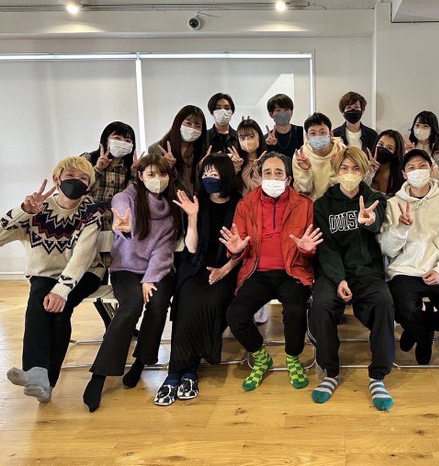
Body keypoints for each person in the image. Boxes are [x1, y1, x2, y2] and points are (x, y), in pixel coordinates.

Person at [82, 154, 183, 412]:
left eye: (162, 174)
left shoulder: (171, 209)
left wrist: (150, 278)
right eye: (151, 174)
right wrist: (124, 228)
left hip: (157, 271)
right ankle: (100, 375)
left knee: (158, 304)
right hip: (125, 268)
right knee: (131, 305)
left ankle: (142, 361)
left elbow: (163, 250)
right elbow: (121, 218)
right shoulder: (126, 197)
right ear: (140, 176)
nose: (157, 179)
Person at [4, 157, 104, 403]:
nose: (77, 181)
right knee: (38, 300)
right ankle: (38, 374)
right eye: (70, 175)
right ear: (57, 179)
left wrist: (62, 290)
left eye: (83, 178)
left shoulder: (91, 211)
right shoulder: (37, 208)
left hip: (86, 273)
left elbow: (83, 256)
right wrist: (24, 211)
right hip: (45, 274)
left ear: (89, 184)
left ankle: (46, 380)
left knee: (59, 311)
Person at [222, 152, 319, 392]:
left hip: (292, 271)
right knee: (235, 314)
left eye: (278, 173)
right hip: (257, 272)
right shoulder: (246, 204)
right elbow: (238, 245)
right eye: (267, 173)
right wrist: (235, 250)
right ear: (259, 177)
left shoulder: (304, 205)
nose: (273, 178)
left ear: (288, 179)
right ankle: (260, 356)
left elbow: (310, 247)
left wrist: (307, 250)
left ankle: (293, 357)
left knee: (295, 310)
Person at [308, 147, 395, 411]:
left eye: (356, 168)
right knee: (321, 305)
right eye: (344, 168)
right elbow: (326, 247)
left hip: (367, 271)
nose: (349, 173)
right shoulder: (322, 205)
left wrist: (369, 221)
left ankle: (377, 376)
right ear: (336, 170)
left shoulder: (376, 198)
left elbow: (378, 224)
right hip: (333, 272)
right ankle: (330, 372)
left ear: (364, 171)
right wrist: (339, 279)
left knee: (383, 303)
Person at [154, 153, 242, 406]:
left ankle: (191, 370)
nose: (208, 178)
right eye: (205, 174)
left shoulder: (241, 204)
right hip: (194, 267)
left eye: (214, 174)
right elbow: (191, 248)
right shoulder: (197, 203)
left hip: (228, 268)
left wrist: (225, 269)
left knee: (212, 301)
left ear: (226, 175)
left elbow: (246, 247)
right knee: (186, 301)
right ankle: (175, 373)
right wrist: (192, 217)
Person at [379, 149, 439, 365]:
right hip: (405, 270)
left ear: (431, 169)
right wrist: (400, 228)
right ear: (404, 174)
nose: (417, 171)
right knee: (402, 309)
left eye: (422, 166)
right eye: (411, 167)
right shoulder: (392, 204)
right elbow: (387, 249)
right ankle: (424, 336)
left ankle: (420, 329)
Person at [81, 121, 138, 231]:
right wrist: (98, 169)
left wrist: (134, 174)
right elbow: (79, 191)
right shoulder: (88, 160)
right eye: (117, 138)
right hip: (88, 226)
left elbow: (131, 198)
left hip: (117, 227)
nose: (122, 143)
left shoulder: (131, 167)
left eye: (127, 141)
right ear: (106, 140)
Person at [149, 105, 208, 195]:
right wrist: (165, 167)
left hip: (196, 201)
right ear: (179, 123)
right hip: (170, 201)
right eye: (188, 123)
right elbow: (153, 184)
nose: (192, 129)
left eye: (198, 126)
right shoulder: (157, 149)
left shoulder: (203, 151)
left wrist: (203, 168)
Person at [293, 112, 346, 201]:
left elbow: (345, 188)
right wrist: (305, 171)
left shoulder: (342, 151)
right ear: (307, 136)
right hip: (311, 205)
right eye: (313, 133)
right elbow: (302, 191)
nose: (318, 136)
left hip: (337, 203)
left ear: (331, 134)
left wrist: (335, 166)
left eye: (322, 132)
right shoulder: (300, 156)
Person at [228, 118, 266, 197]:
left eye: (251, 137)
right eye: (242, 138)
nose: (247, 141)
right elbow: (229, 188)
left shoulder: (268, 160)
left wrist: (257, 170)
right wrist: (235, 169)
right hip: (240, 202)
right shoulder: (235, 160)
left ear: (259, 136)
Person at [366, 129, 405, 198]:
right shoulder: (365, 166)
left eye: (389, 148)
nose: (383, 149)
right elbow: (358, 192)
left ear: (396, 153)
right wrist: (369, 173)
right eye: (380, 144)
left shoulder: (401, 175)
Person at [264, 94, 305, 159]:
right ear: (271, 114)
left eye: (286, 109)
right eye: (278, 110)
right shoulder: (267, 139)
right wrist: (268, 146)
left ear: (291, 112)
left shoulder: (302, 132)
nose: (282, 113)